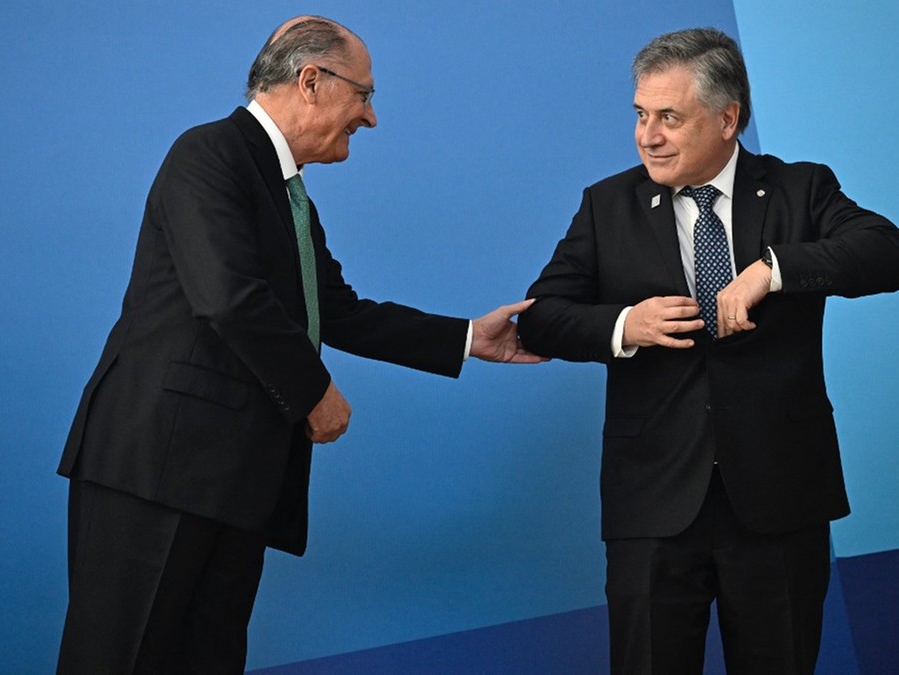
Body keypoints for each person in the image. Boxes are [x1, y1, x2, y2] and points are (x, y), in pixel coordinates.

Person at [57, 15, 541, 673]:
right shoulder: (206, 154)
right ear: (311, 81)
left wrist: (466, 338)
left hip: (233, 481)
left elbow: (335, 309)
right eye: (364, 95)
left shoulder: (291, 197)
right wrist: (314, 392)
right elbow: (227, 295)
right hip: (158, 468)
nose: (370, 117)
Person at [518, 27, 899, 674]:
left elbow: (885, 250)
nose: (647, 135)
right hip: (654, 505)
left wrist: (772, 268)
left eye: (669, 117)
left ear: (728, 120)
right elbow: (541, 320)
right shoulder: (608, 205)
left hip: (779, 499)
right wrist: (624, 325)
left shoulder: (799, 190)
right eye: (640, 114)